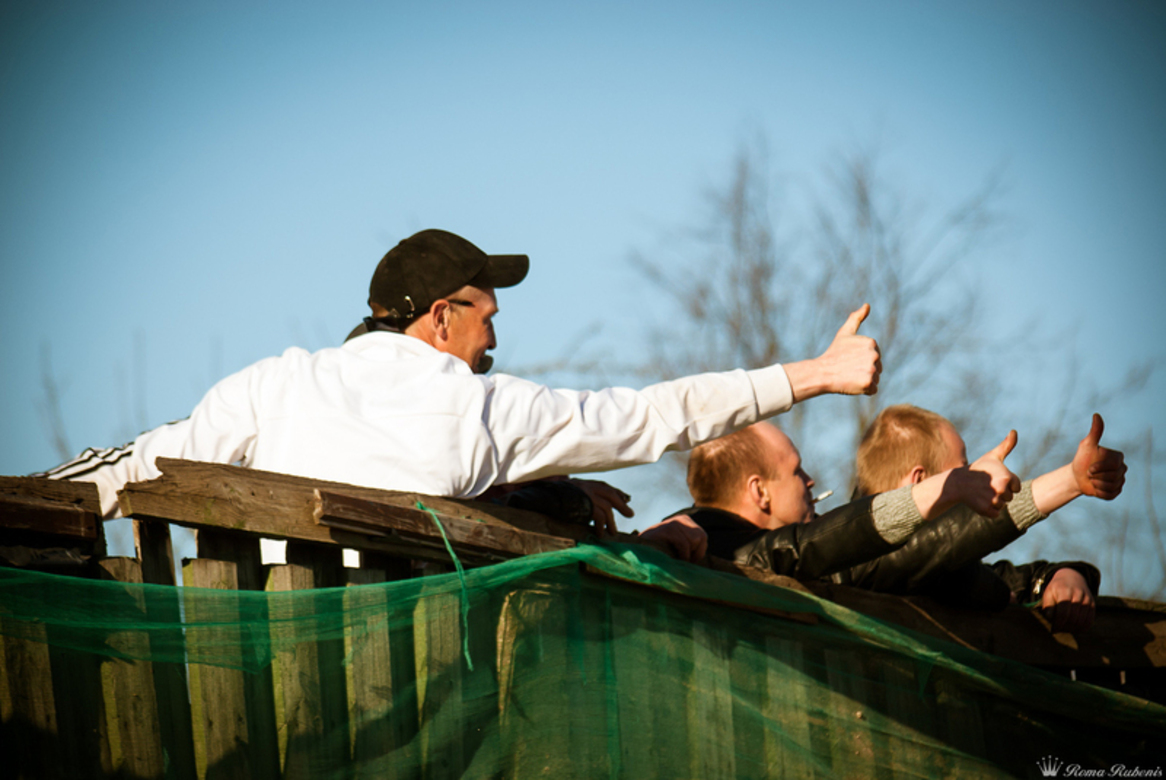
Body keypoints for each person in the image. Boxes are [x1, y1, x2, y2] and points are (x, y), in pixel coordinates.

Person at [37, 229, 881, 556]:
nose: (496, 331)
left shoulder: (278, 383)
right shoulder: (480, 407)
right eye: (485, 312)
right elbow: (654, 417)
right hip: (419, 698)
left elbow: (133, 465)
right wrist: (815, 374)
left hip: (253, 688)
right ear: (440, 318)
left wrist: (28, 503)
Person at [845, 405, 1126, 632]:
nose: (975, 480)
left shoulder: (950, 573)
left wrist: (1061, 578)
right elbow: (940, 543)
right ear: (920, 481)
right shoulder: (859, 561)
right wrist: (1069, 482)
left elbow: (1003, 580)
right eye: (963, 472)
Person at [663, 421, 1023, 581]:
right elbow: (810, 547)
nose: (810, 480)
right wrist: (952, 486)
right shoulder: (711, 547)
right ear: (760, 492)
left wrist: (1048, 577)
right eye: (795, 470)